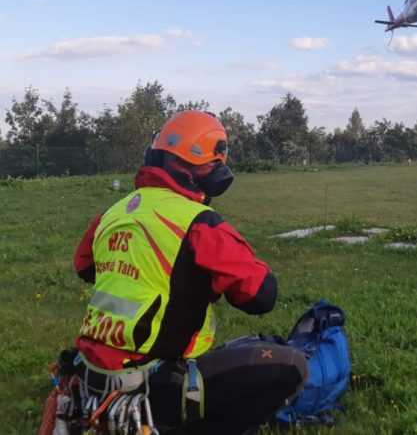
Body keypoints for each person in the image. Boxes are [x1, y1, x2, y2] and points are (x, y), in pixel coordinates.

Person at [72, 110, 307, 434]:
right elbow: (261, 296)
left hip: (88, 375)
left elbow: (84, 268)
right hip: (153, 385)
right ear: (214, 173)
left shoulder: (110, 214)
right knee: (290, 365)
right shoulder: (200, 223)